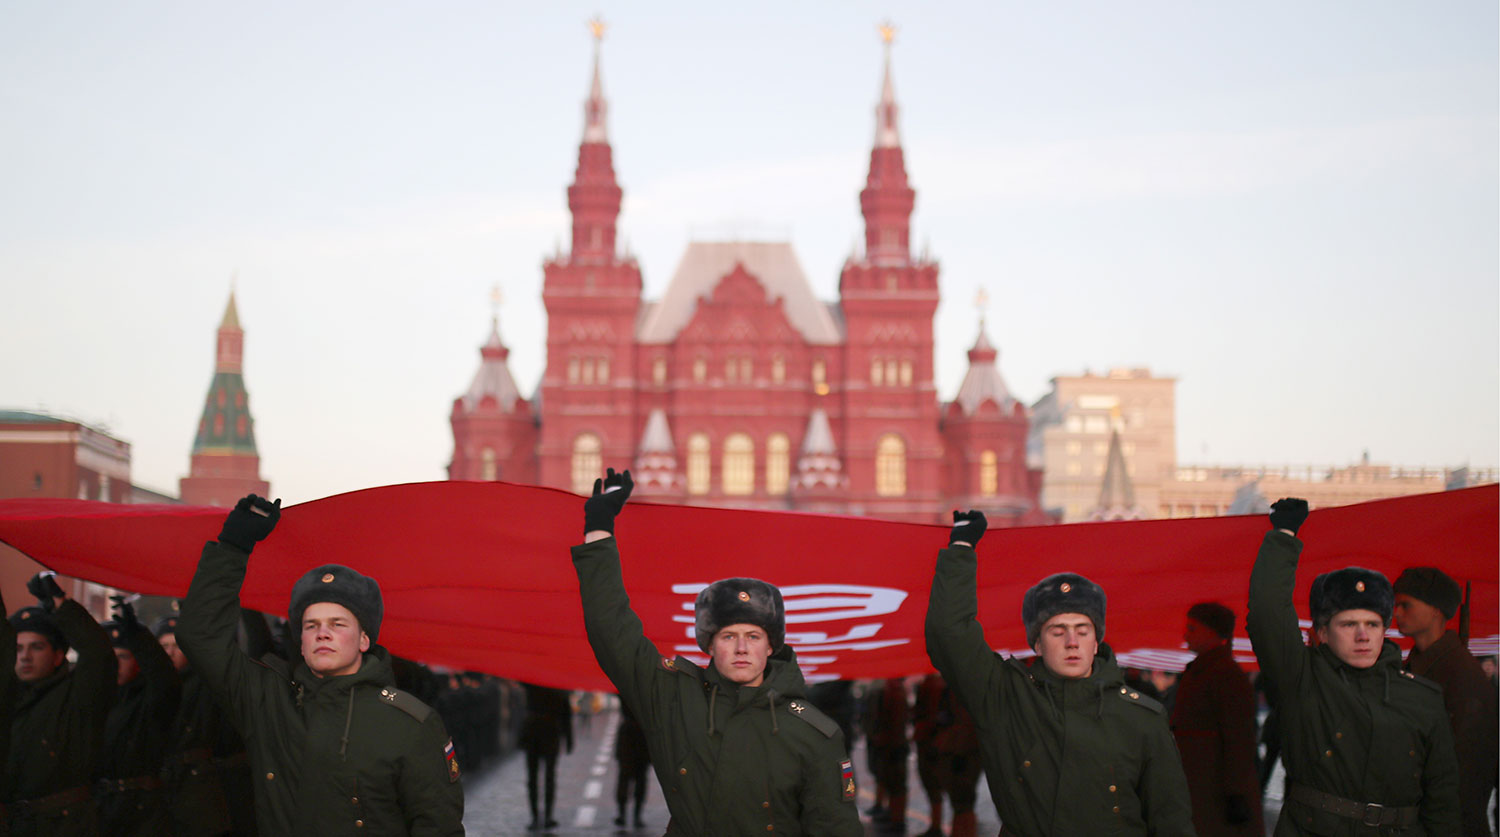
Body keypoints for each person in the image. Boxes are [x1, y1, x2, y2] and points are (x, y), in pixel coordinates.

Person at [571, 468, 862, 836]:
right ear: (709, 643)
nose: (742, 648)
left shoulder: (814, 733)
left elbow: (837, 829)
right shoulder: (674, 699)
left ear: (772, 644)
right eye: (728, 636)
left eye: (753, 636)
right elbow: (612, 630)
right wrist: (599, 528)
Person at [177, 493, 464, 836]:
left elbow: (438, 827)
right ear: (300, 639)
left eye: (338, 624)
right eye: (311, 625)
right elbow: (200, 636)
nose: (322, 633)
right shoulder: (267, 701)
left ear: (363, 639)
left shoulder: (410, 723)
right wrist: (233, 546)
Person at [924, 509, 1194, 836]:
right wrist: (962, 549)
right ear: (1037, 643)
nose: (1071, 642)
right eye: (1057, 631)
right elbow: (949, 634)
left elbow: (1172, 822)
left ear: (1097, 642)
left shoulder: (1142, 719)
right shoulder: (1004, 698)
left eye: (1083, 630)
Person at [1247, 497, 1460, 834]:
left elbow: (1444, 801)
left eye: (1372, 624)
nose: (1363, 636)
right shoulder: (1302, 679)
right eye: (1348, 624)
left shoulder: (1423, 697)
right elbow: (1267, 613)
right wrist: (1283, 536)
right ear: (1322, 633)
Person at [4, 571, 116, 836]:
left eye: (37, 647)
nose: (25, 657)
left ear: (58, 655)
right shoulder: (9, 698)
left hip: (63, 825)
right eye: (17, 649)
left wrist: (63, 608)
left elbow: (99, 657)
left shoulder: (77, 696)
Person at [1393, 566, 1499, 837]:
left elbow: (1468, 776)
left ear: (1436, 610)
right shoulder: (1415, 664)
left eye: (1406, 605)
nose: (1397, 613)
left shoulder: (1462, 674)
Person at [1170, 601, 1262, 836]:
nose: (1185, 634)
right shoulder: (1205, 670)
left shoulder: (1224, 674)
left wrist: (1235, 791)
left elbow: (1239, 737)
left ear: (1211, 631)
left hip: (1213, 787)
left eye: (1192, 629)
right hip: (1200, 782)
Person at [96, 594, 182, 836]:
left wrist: (138, 636)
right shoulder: (91, 702)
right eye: (109, 658)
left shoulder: (148, 702)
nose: (115, 665)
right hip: (96, 813)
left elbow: (165, 681)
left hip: (140, 813)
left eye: (122, 656)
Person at [911, 673, 980, 837]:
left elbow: (964, 723)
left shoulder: (959, 687)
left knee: (963, 802)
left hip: (960, 752)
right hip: (954, 750)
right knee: (959, 802)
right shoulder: (951, 685)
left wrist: (960, 751)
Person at [519, 683, 573, 830]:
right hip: (549, 733)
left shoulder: (533, 680)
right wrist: (568, 738)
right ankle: (545, 816)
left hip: (536, 733)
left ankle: (537, 817)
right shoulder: (557, 683)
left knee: (535, 778)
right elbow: (566, 712)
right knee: (546, 777)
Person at [862, 677, 911, 829]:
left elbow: (894, 721)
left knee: (896, 783)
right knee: (890, 780)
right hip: (889, 743)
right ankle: (893, 815)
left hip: (892, 745)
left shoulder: (893, 691)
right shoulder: (890, 689)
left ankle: (897, 819)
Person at [614, 702, 651, 829]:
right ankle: (631, 815)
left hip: (634, 746)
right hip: (636, 744)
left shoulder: (627, 725)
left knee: (631, 783)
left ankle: (628, 815)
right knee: (632, 783)